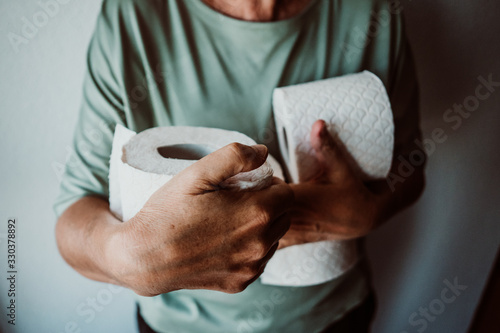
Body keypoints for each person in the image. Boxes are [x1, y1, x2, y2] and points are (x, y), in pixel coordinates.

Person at [54, 0, 425, 332]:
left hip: (331, 317)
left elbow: (411, 162)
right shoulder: (132, 16)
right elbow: (76, 206)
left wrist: (372, 211)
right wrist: (125, 260)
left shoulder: (372, 11)